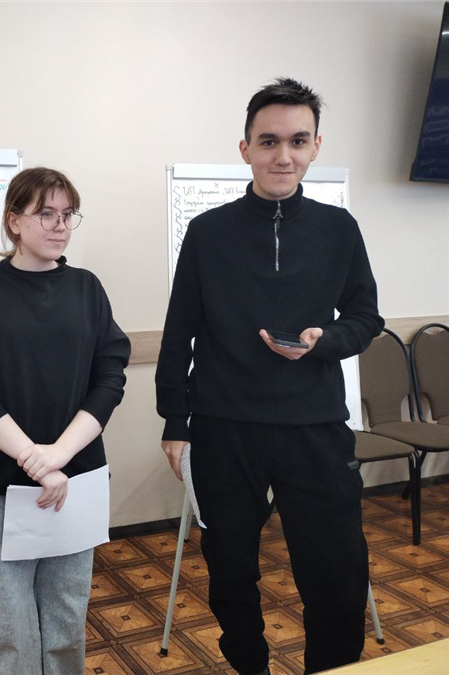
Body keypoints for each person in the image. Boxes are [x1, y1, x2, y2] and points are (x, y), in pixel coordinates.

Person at [156, 78, 385, 675]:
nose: (283, 155)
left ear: (315, 147)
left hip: (315, 425)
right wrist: (174, 422)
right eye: (269, 141)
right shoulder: (207, 232)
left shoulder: (339, 228)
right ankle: (249, 666)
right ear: (246, 149)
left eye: (298, 141)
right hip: (224, 426)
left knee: (336, 570)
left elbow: (366, 317)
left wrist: (324, 341)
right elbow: (179, 331)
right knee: (231, 570)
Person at [0, 167, 130, 674]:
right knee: (10, 627)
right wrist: (34, 459)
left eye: (68, 214)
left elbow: (110, 377)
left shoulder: (87, 288)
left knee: (66, 620)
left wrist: (59, 456)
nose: (60, 225)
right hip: (3, 484)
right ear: (14, 221)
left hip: (76, 478)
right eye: (46, 213)